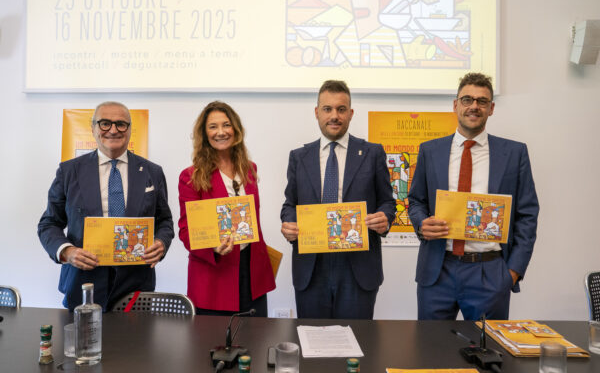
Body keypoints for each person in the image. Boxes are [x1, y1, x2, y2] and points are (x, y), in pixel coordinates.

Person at [407, 72, 539, 320]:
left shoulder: (514, 153)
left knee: (487, 345)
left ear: (491, 108)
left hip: (489, 271)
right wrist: (421, 223)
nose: (474, 106)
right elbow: (416, 201)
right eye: (467, 100)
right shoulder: (430, 150)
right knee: (430, 343)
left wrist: (512, 272)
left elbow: (528, 214)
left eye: (482, 101)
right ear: (455, 105)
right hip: (437, 269)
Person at [38, 101, 174, 311]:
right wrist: (67, 251)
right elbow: (49, 223)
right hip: (82, 284)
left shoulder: (152, 172)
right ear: (93, 128)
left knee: (136, 335)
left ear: (130, 129)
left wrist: (161, 243)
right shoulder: (69, 171)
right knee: (82, 335)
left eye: (121, 124)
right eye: (105, 123)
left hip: (136, 286)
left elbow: (164, 220)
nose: (113, 130)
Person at [280, 80, 396, 319]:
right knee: (313, 337)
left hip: (357, 265)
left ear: (351, 113)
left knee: (358, 337)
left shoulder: (372, 153)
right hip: (312, 265)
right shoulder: (299, 157)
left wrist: (385, 217)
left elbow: (387, 201)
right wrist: (289, 223)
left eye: (341, 109)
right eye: (327, 109)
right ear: (317, 112)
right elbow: (290, 204)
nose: (334, 116)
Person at [178, 101, 275, 316]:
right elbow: (186, 232)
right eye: (213, 127)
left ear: (236, 130)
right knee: (215, 337)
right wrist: (212, 247)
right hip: (215, 277)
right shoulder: (191, 176)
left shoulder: (249, 169)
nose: (221, 132)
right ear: (204, 134)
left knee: (255, 335)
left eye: (226, 125)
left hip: (252, 274)